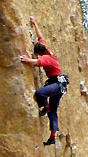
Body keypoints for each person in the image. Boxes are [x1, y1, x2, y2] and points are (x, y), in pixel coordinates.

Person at [21, 16, 67, 146]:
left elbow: (37, 62)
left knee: (40, 93)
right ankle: (53, 136)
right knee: (53, 111)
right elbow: (40, 37)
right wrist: (35, 23)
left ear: (41, 52)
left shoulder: (46, 58)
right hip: (60, 84)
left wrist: (25, 60)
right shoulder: (47, 49)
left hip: (57, 84)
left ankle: (46, 107)